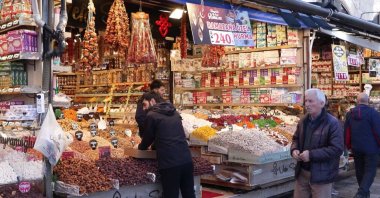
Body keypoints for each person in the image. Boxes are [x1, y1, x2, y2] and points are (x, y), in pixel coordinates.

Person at [138, 92, 195, 198]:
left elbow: (147, 139)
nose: (144, 108)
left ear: (152, 101)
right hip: (186, 159)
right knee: (189, 194)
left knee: (171, 195)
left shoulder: (152, 116)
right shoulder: (174, 112)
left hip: (170, 163)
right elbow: (169, 134)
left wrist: (140, 148)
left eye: (144, 104)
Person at [291, 88, 344, 198]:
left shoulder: (332, 123)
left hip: (322, 175)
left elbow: (337, 149)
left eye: (311, 101)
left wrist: (311, 155)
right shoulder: (303, 120)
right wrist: (294, 150)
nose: (307, 104)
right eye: (306, 101)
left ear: (322, 103)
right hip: (302, 172)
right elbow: (295, 139)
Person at [344, 93, 380, 198]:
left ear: (357, 101)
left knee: (359, 171)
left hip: (356, 147)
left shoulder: (350, 114)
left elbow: (347, 132)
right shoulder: (374, 113)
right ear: (368, 101)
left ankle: (364, 194)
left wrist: (348, 145)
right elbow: (378, 132)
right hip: (371, 148)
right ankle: (362, 193)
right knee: (370, 170)